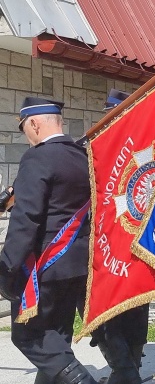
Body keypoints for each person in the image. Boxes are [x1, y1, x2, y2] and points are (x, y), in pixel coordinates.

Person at [0, 97, 98, 384]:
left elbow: (26, 219)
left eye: (23, 129)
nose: (26, 137)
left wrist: (7, 266)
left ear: (33, 123)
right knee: (57, 337)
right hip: (78, 262)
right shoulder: (82, 155)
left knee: (30, 336)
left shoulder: (37, 157)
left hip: (46, 265)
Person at [88, 89, 149, 384]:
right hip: (111, 242)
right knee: (114, 309)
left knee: (124, 308)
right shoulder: (99, 149)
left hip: (126, 241)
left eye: (111, 114)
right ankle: (126, 370)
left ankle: (127, 371)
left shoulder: (138, 149)